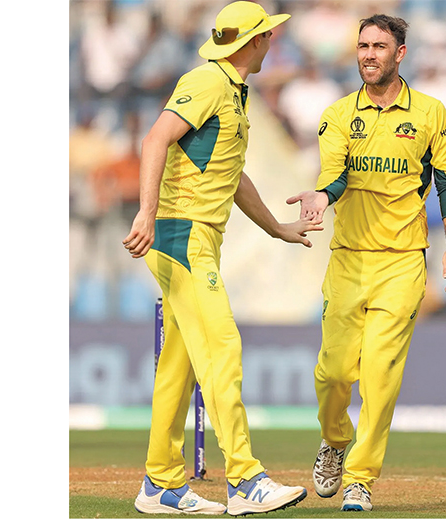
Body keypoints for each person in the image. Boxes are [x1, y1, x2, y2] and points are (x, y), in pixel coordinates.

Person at [121, 1, 319, 516]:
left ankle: (160, 485)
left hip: (194, 236)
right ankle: (246, 481)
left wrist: (278, 228)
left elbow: (235, 178)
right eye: (267, 36)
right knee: (222, 349)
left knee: (180, 366)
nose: (273, 42)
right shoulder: (208, 82)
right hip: (180, 234)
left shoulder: (233, 92)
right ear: (253, 42)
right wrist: (146, 213)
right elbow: (154, 138)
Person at [286, 14, 446, 512]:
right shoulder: (339, 114)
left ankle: (360, 478)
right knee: (333, 372)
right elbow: (336, 175)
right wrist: (322, 196)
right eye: (362, 45)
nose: (368, 54)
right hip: (348, 259)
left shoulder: (430, 113)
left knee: (381, 372)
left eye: (379, 46)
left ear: (400, 53)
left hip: (404, 261)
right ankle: (335, 440)